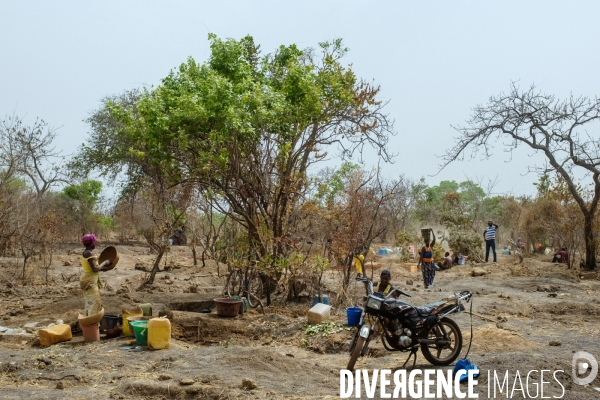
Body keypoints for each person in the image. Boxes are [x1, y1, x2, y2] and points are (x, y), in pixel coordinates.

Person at [80, 234, 112, 316]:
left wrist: (105, 268)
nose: (95, 244)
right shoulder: (90, 254)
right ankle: (92, 323)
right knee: (95, 303)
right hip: (90, 282)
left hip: (86, 280)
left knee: (89, 302)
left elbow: (93, 269)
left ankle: (86, 322)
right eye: (94, 242)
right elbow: (95, 269)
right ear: (91, 243)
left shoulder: (85, 253)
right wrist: (105, 262)